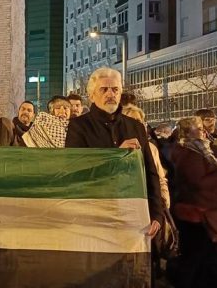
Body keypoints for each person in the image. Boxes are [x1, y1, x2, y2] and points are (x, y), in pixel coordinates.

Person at [64, 67, 163, 236]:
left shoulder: (136, 126)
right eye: (104, 89)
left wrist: (157, 213)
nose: (110, 94)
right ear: (92, 95)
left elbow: (150, 172)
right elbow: (75, 169)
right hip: (95, 213)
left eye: (115, 89)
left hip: (132, 212)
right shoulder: (79, 126)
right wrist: (117, 155)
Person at [170, 116, 217, 288]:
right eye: (198, 128)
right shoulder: (190, 153)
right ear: (187, 132)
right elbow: (198, 182)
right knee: (197, 260)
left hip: (206, 211)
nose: (204, 131)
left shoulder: (200, 149)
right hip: (198, 214)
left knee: (203, 260)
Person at [123, 104, 170, 209]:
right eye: (132, 120)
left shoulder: (151, 148)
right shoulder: (119, 147)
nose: (137, 125)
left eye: (140, 121)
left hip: (152, 205)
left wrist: (164, 199)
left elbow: (160, 178)